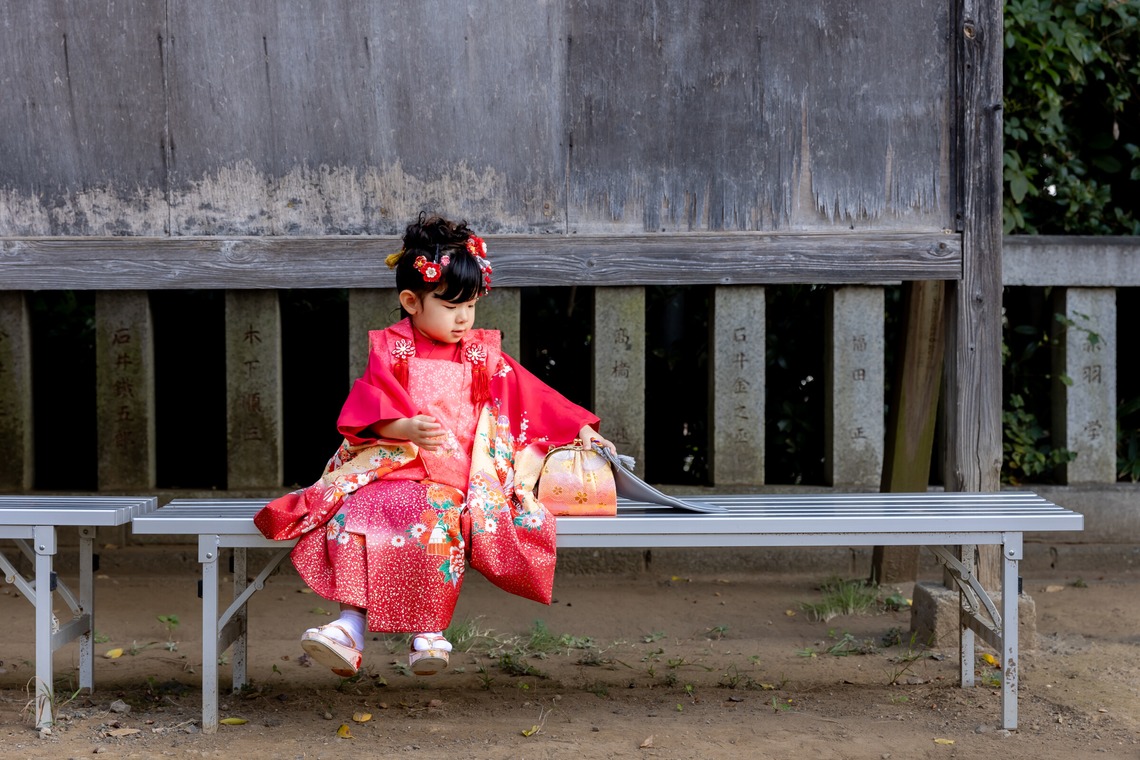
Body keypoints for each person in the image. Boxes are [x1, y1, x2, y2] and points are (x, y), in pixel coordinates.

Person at [254, 213, 614, 677]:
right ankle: (349, 626)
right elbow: (367, 403)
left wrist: (580, 427)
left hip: (462, 471)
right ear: (411, 301)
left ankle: (427, 629)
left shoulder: (482, 353)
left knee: (437, 520)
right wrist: (402, 428)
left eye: (471, 305)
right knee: (357, 513)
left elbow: (529, 392)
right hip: (398, 466)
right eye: (449, 306)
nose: (463, 317)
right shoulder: (393, 348)